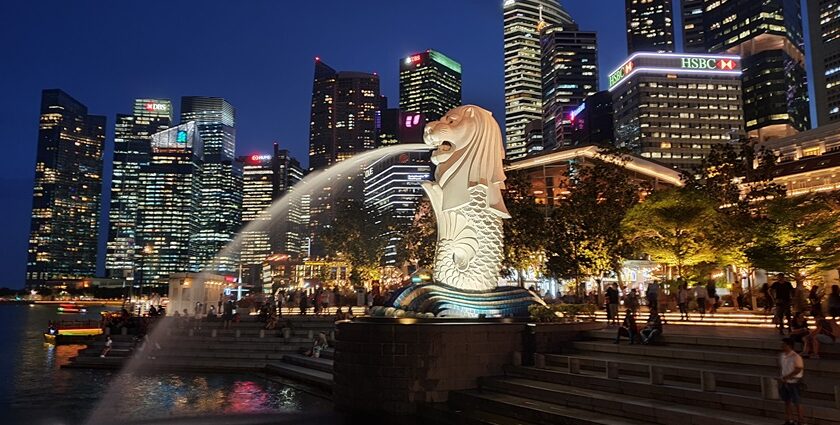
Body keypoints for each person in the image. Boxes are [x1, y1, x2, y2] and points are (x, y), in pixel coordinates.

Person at [778, 337, 805, 425]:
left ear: (789, 345)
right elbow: (783, 367)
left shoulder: (796, 356)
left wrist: (787, 376)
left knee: (797, 402)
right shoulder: (782, 356)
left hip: (794, 382)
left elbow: (798, 369)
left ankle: (801, 420)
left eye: (783, 344)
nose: (781, 346)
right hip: (785, 381)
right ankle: (789, 419)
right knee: (787, 401)